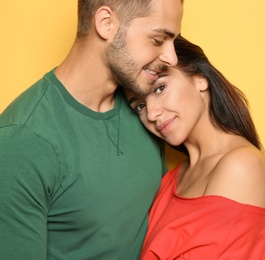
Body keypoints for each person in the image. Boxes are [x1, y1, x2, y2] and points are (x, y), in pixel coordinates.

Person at [0, 0, 183, 259]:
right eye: (157, 40)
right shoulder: (22, 141)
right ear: (106, 23)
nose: (172, 58)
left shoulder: (148, 112)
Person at [125, 35, 265, 260]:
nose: (151, 113)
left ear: (200, 80)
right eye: (139, 106)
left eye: (160, 88)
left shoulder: (242, 166)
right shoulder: (169, 181)